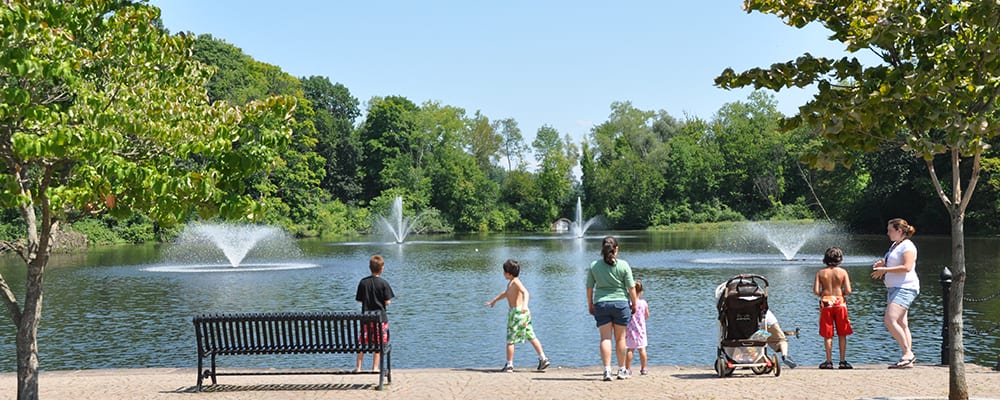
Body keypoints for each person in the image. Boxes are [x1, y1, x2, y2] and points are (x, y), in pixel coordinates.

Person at [586, 236, 638, 381]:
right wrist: (634, 304)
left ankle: (607, 370)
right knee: (620, 339)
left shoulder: (594, 266)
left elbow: (589, 287)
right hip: (621, 304)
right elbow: (631, 287)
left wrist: (590, 304)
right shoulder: (624, 265)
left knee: (605, 338)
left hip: (601, 304)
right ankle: (621, 370)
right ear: (616, 249)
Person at [871, 218, 919, 369]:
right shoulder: (895, 245)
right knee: (902, 323)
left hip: (905, 287)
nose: (887, 232)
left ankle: (908, 353)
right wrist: (882, 265)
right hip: (894, 288)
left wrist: (884, 270)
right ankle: (907, 358)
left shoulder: (908, 246)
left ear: (899, 231)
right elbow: (893, 262)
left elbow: (907, 267)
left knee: (890, 320)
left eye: (890, 230)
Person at [486, 259, 550, 372]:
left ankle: (509, 364)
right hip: (522, 314)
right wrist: (494, 301)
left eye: (504, 271)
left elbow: (526, 292)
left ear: (509, 273)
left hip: (516, 313)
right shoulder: (511, 283)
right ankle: (543, 358)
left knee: (510, 339)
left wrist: (525, 305)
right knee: (530, 335)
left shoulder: (516, 282)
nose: (503, 274)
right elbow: (505, 294)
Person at [814, 246, 853, 369]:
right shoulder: (843, 272)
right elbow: (848, 290)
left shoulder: (821, 273)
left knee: (828, 334)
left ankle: (829, 361)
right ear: (840, 259)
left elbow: (815, 291)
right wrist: (840, 295)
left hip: (826, 303)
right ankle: (842, 361)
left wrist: (824, 295)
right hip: (840, 302)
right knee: (842, 333)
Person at [355, 254, 395, 373]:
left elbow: (359, 300)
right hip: (380, 318)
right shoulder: (384, 283)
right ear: (382, 268)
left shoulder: (363, 282)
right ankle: (375, 367)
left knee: (362, 341)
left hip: (366, 318)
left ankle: (358, 367)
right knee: (379, 342)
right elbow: (387, 302)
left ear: (369, 267)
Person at [624, 280, 650, 376]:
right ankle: (643, 368)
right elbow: (647, 314)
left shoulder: (628, 303)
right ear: (641, 292)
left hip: (630, 330)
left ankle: (627, 369)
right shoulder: (643, 303)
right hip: (641, 330)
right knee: (642, 349)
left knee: (630, 349)